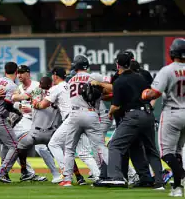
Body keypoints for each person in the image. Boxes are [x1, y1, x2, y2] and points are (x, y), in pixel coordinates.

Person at [97, 53, 163, 189]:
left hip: (133, 116)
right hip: (148, 113)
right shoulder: (140, 77)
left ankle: (116, 177)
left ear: (117, 65)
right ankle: (158, 182)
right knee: (150, 149)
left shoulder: (119, 81)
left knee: (115, 145)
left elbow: (116, 106)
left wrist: (110, 113)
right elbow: (150, 93)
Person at [55, 55, 108, 187]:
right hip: (91, 113)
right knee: (100, 147)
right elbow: (110, 87)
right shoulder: (94, 76)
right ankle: (107, 175)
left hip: (74, 114)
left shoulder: (71, 80)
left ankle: (67, 179)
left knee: (69, 149)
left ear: (76, 66)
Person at [142, 38, 185, 196]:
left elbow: (155, 93)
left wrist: (146, 94)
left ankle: (182, 175)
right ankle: (177, 188)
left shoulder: (168, 70)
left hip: (172, 112)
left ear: (172, 52)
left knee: (166, 153)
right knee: (178, 151)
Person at [34, 66, 86, 184]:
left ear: (55, 76)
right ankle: (85, 176)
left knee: (54, 144)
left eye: (52, 75)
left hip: (70, 119)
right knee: (76, 150)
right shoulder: (70, 86)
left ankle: (65, 172)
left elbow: (42, 105)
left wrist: (35, 103)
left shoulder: (56, 88)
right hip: (81, 116)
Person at [8, 65, 60, 182]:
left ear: (28, 73)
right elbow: (14, 100)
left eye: (22, 72)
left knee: (42, 147)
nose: (19, 75)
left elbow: (47, 104)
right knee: (16, 144)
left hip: (40, 120)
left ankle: (56, 173)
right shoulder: (19, 88)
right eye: (18, 73)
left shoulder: (37, 85)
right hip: (25, 120)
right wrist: (21, 104)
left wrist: (30, 107)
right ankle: (27, 172)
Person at [0, 62, 22, 183]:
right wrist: (16, 111)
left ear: (5, 71)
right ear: (16, 72)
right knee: (15, 146)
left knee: (6, 144)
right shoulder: (12, 86)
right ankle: (1, 172)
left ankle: (4, 174)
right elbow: (7, 104)